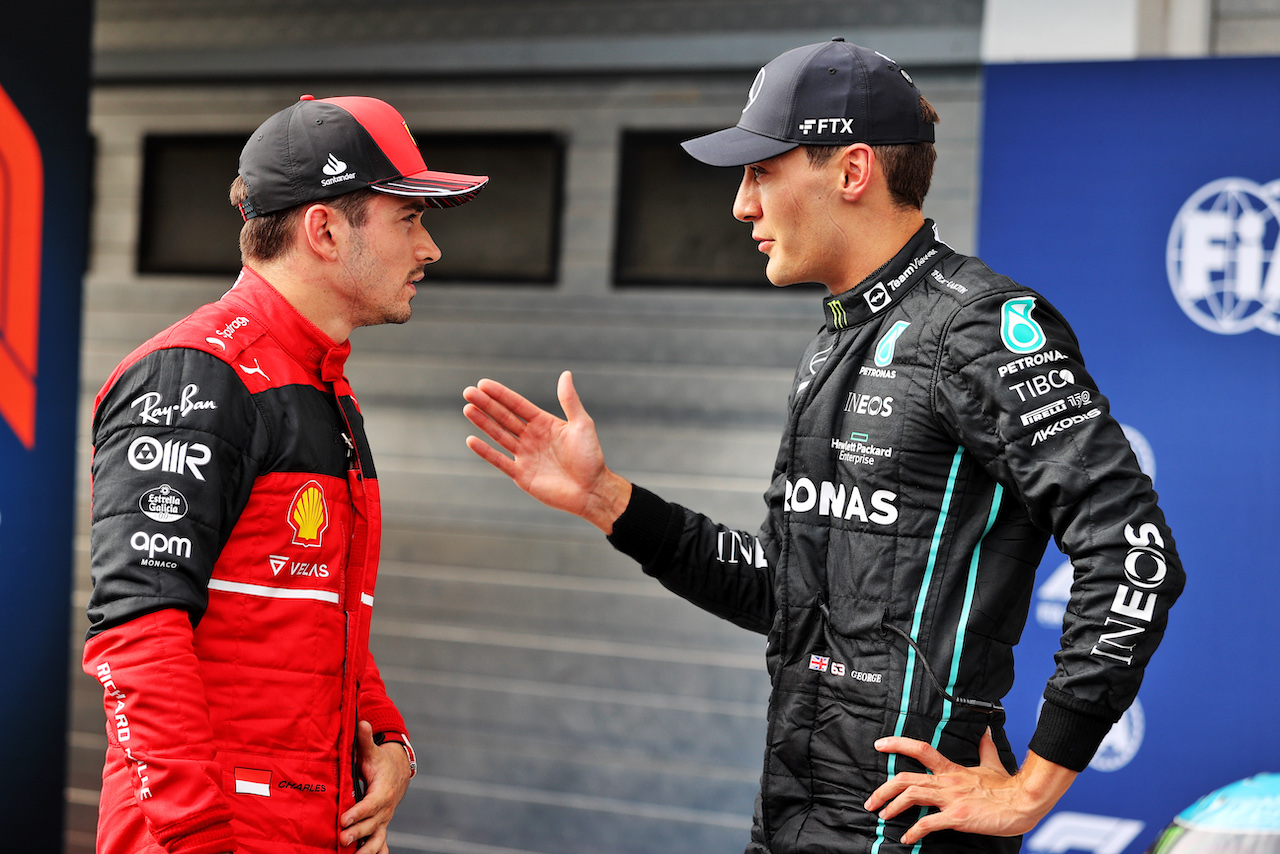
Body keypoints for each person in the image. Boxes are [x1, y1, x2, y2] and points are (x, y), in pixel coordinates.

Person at [462, 39, 1184, 853]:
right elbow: (788, 594)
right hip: (795, 819)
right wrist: (606, 500)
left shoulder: (980, 327)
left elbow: (1135, 552)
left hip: (909, 829)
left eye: (761, 172)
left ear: (851, 171)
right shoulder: (837, 341)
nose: (741, 206)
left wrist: (1033, 790)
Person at [83, 94, 487, 854]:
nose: (428, 248)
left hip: (309, 825)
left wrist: (389, 739)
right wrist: (196, 837)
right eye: (408, 219)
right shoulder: (194, 377)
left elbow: (310, 606)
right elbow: (136, 633)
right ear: (326, 229)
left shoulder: (317, 384)